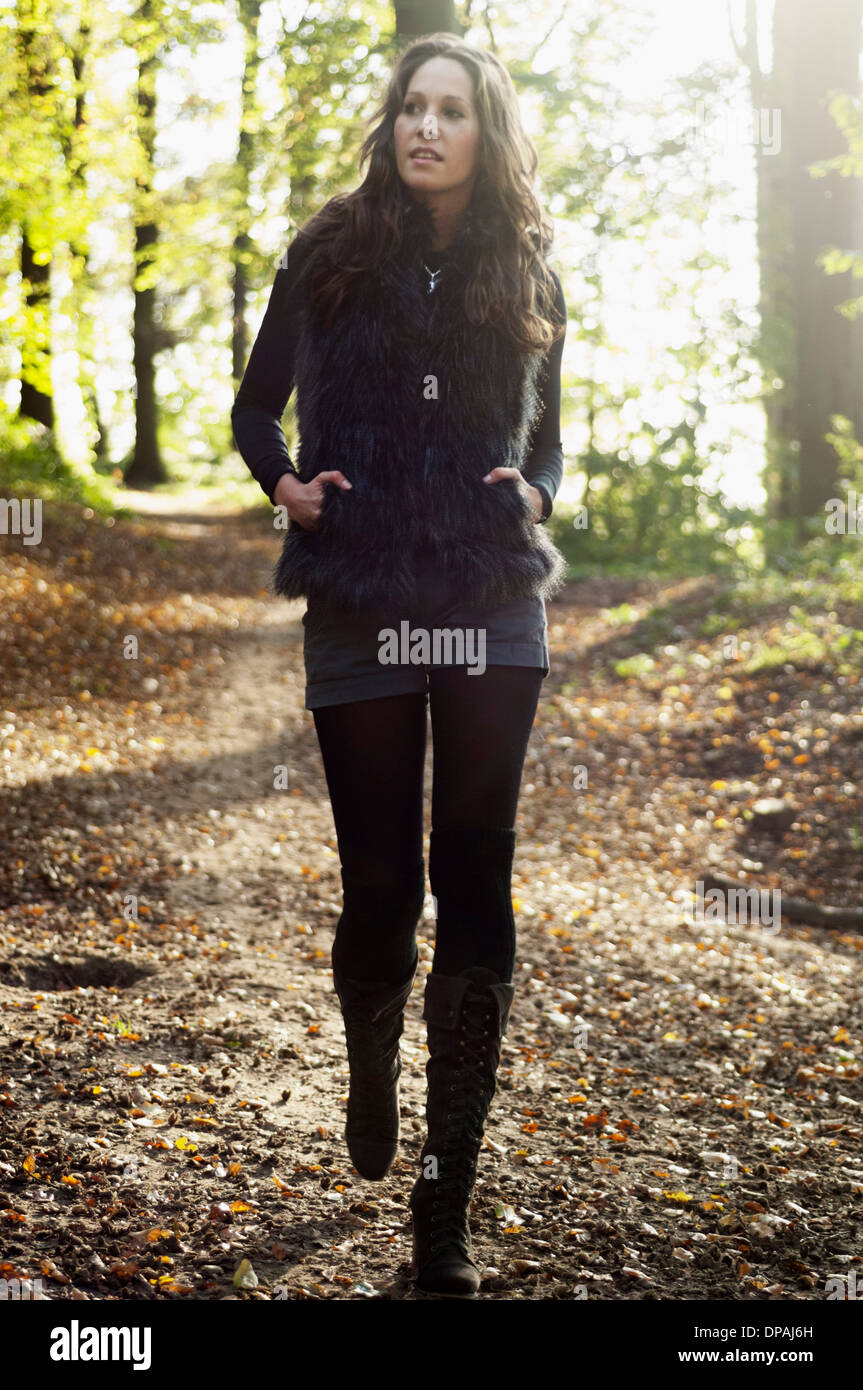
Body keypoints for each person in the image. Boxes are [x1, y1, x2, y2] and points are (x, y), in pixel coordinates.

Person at [231, 32, 568, 1299]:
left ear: (486, 133)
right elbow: (254, 406)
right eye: (412, 107)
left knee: (473, 878)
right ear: (392, 123)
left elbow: (551, 449)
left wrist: (531, 495)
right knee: (380, 891)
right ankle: (371, 1041)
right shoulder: (327, 252)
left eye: (453, 110)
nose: (426, 127)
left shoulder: (526, 265)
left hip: (488, 599)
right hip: (359, 597)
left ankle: (444, 1202)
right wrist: (287, 487)